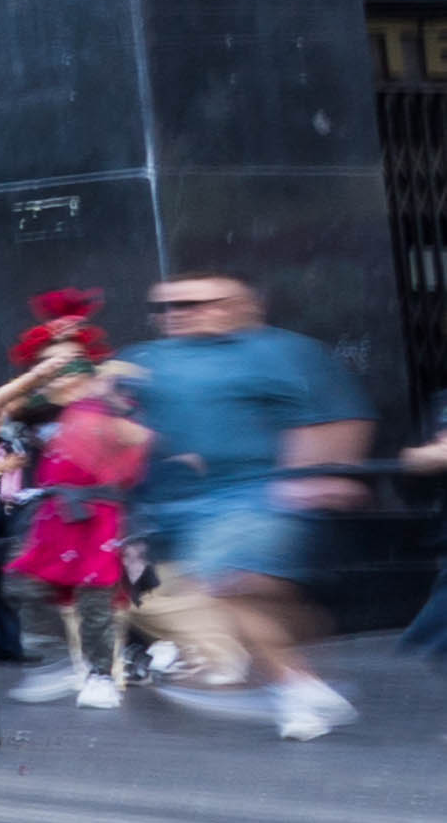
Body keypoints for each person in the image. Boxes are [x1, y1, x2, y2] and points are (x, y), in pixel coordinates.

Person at [112, 269, 372, 739]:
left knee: (230, 586)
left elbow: (342, 416)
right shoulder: (140, 359)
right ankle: (293, 678)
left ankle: (297, 686)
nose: (178, 314)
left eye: (195, 304)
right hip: (164, 506)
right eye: (166, 307)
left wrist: (318, 474)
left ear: (242, 306)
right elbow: (102, 418)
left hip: (253, 495)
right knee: (243, 597)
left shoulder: (284, 351)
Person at [12, 378, 147, 708]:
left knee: (97, 599)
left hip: (97, 517)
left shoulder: (118, 417)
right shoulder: (52, 410)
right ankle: (69, 664)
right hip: (56, 516)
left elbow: (133, 464)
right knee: (31, 588)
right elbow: (15, 410)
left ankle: (102, 675)